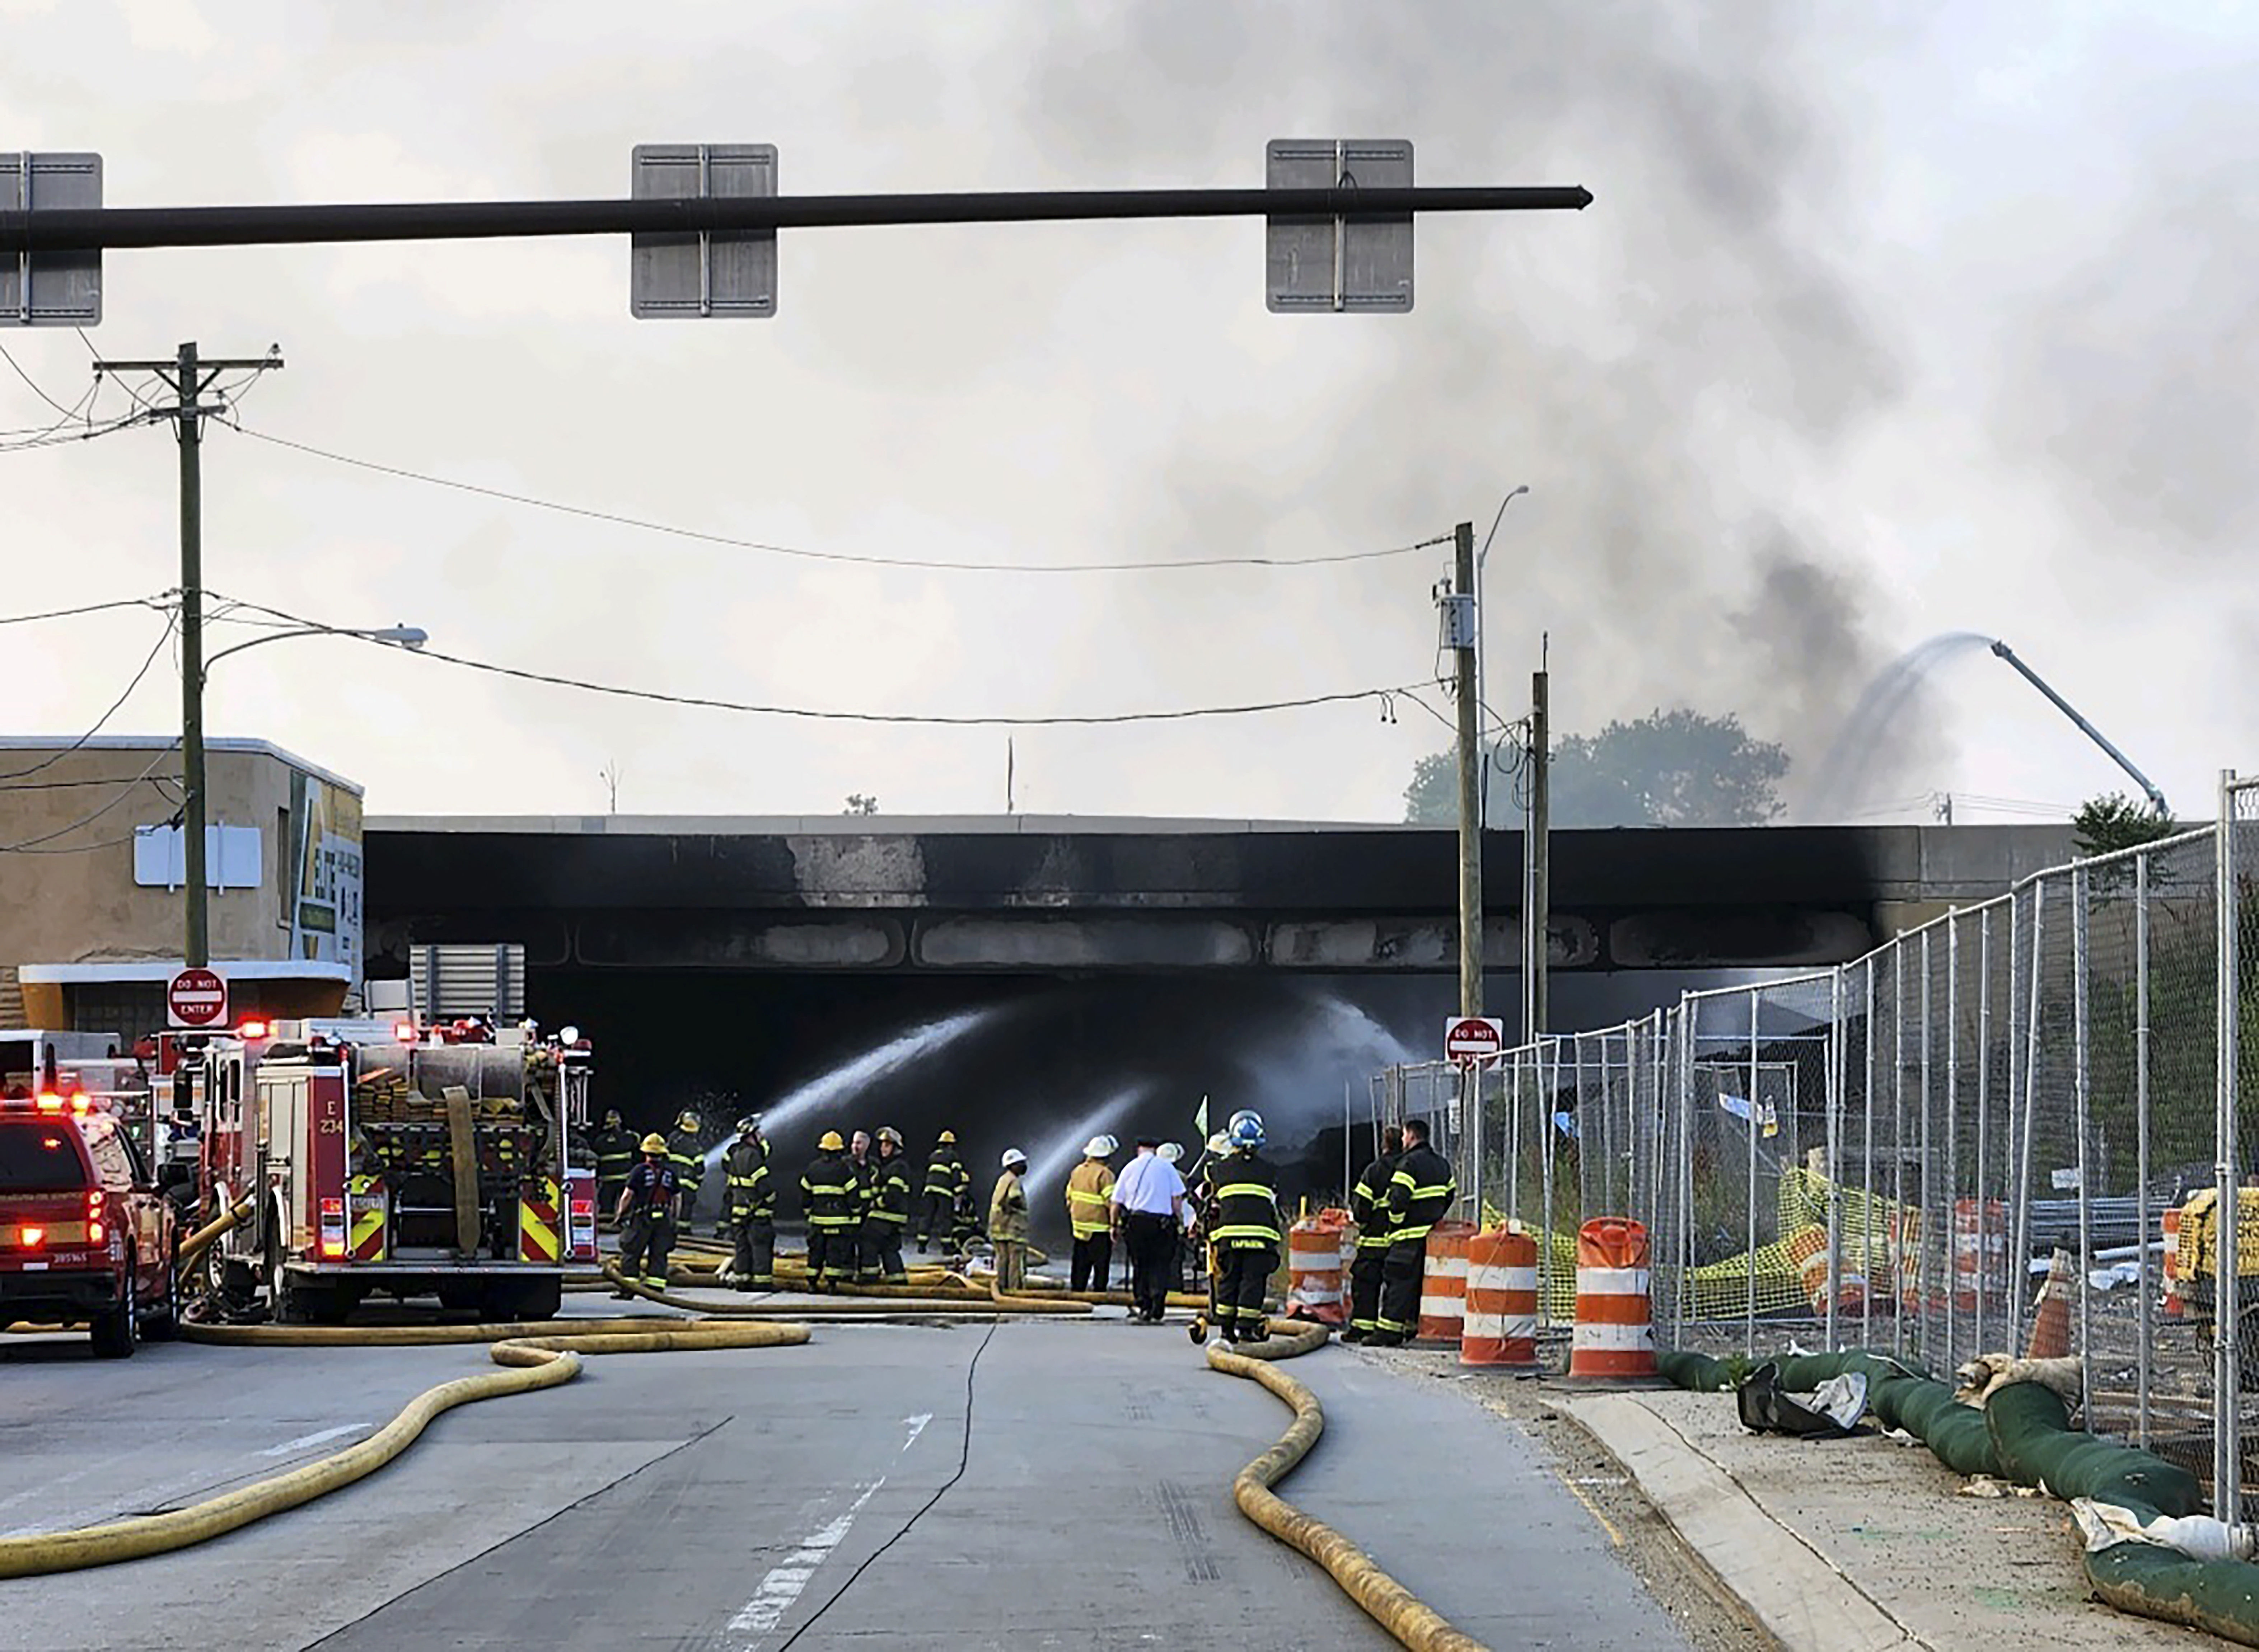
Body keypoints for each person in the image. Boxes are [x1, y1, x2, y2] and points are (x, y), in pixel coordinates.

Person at [1370, 1117, 1456, 1348]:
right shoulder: (1442, 1164)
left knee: (1398, 1283)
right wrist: (1434, 1218)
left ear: (1410, 1136)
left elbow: (1398, 1200)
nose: (1402, 1139)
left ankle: (1388, 1332)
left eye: (1404, 1135)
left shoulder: (1408, 1164)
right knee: (1420, 1285)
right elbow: (1450, 1194)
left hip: (1408, 1237)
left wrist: (1396, 1224)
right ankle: (1411, 1328)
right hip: (1433, 1238)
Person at [1206, 1109, 1283, 1344]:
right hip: (1260, 1238)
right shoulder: (1270, 1170)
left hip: (1229, 1237)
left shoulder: (1218, 1169)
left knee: (1229, 1280)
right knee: (1253, 1281)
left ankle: (1226, 1330)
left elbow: (1208, 1192)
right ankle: (1247, 1328)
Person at [1110, 1136, 1187, 1322]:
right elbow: (1177, 1199)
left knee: (1140, 1264)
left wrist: (1114, 1226)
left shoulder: (1129, 1168)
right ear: (1156, 1149)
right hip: (1162, 1224)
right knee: (1160, 1265)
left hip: (1136, 1223)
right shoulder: (1168, 1168)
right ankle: (1158, 1303)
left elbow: (1115, 1202)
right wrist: (1180, 1220)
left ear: (1139, 1149)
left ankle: (1144, 1305)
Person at [1343, 1125, 1404, 1343]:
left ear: (1384, 1145)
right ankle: (1395, 1329)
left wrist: (1360, 1220)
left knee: (1366, 1285)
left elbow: (1361, 1209)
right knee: (1397, 1288)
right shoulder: (1409, 1168)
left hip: (1373, 1243)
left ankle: (1362, 1328)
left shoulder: (1374, 1171)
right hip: (1401, 1243)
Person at [613, 1133, 679, 1296]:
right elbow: (678, 1198)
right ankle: (655, 1288)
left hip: (642, 1218)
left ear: (646, 1153)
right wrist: (674, 1218)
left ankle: (628, 1290)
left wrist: (620, 1215)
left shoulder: (639, 1171)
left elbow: (628, 1196)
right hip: (663, 1218)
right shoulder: (670, 1173)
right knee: (659, 1254)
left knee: (631, 1253)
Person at [800, 1129, 858, 1291]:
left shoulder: (813, 1169)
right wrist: (856, 1212)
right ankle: (832, 1285)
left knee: (816, 1252)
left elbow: (805, 1194)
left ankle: (812, 1282)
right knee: (834, 1253)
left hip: (818, 1221)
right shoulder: (845, 1170)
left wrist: (808, 1212)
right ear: (839, 1151)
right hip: (839, 1222)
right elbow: (853, 1197)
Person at [724, 1113, 776, 1291]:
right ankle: (762, 1284)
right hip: (757, 1212)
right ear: (751, 1136)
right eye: (758, 1134)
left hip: (738, 1211)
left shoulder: (734, 1154)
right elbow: (764, 1186)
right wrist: (771, 1200)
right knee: (761, 1247)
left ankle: (742, 1281)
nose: (761, 1137)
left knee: (742, 1248)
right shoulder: (753, 1156)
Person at [1066, 1134, 1118, 1291]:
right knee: (1101, 1267)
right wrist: (1117, 1224)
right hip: (1099, 1229)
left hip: (1079, 1228)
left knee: (1080, 1264)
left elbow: (1069, 1197)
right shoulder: (1105, 1175)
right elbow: (1111, 1202)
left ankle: (1077, 1293)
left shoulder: (1077, 1171)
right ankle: (1099, 1295)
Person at [863, 1126, 915, 1284]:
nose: (883, 1148)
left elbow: (893, 1194)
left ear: (896, 1148)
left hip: (885, 1215)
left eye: (887, 1145)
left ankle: (869, 1277)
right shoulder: (888, 1167)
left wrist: (876, 1203)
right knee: (889, 1249)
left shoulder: (898, 1167)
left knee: (867, 1240)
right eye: (882, 1145)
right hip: (893, 1218)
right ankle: (897, 1279)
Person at [917, 1129, 967, 1253]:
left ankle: (922, 1245)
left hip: (929, 1190)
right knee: (945, 1218)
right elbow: (956, 1175)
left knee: (927, 1217)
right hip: (944, 1192)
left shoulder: (933, 1156)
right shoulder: (953, 1156)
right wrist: (958, 1192)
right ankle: (946, 1247)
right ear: (951, 1145)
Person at [989, 1147, 1031, 1293]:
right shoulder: (1014, 1181)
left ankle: (1002, 1287)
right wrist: (1018, 1209)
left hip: (999, 1227)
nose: (1024, 1166)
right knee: (1016, 1261)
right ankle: (1015, 1291)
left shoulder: (1003, 1180)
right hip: (1013, 1228)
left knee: (1002, 1260)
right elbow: (1014, 1199)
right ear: (1013, 1165)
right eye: (1021, 1163)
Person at [590, 1108, 637, 1215]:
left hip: (607, 1182)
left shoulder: (599, 1141)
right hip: (625, 1180)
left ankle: (607, 1225)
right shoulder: (629, 1138)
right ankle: (623, 1223)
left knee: (607, 1209)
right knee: (626, 1206)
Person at [665, 1109, 706, 1231]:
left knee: (668, 1207)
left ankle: (668, 1230)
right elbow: (700, 1170)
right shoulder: (695, 1146)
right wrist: (698, 1184)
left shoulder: (673, 1138)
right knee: (685, 1210)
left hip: (669, 1182)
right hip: (687, 1186)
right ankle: (684, 1232)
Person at [846, 1128, 878, 1283]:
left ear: (867, 1145)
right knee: (848, 1244)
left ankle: (868, 1276)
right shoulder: (846, 1164)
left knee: (868, 1244)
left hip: (869, 1212)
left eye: (858, 1143)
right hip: (850, 1212)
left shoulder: (874, 1165)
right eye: (853, 1143)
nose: (855, 1147)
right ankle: (848, 1274)